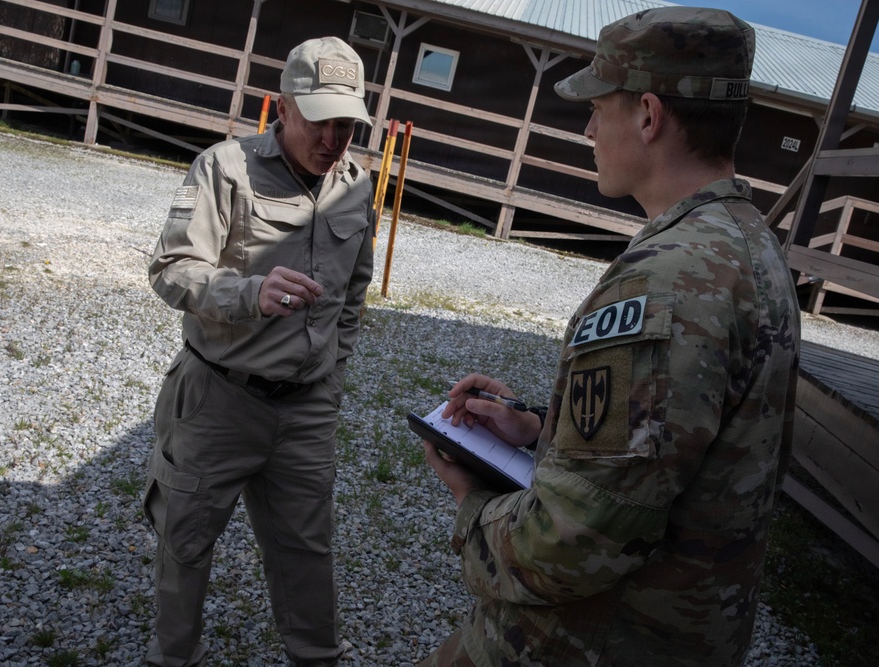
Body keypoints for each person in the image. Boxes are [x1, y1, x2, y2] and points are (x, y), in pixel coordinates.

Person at [419, 7, 800, 667]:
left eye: (601, 106)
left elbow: (571, 541)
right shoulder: (750, 244)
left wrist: (471, 501)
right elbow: (675, 442)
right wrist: (540, 426)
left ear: (649, 116)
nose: (590, 128)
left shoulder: (666, 280)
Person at [142, 37, 375, 667]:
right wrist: (249, 293)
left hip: (306, 411)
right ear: (286, 106)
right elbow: (170, 269)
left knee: (307, 550)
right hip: (220, 397)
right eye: (322, 119)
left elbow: (353, 295)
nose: (335, 137)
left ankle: (316, 658)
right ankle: (173, 658)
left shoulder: (357, 185)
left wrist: (331, 374)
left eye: (348, 123)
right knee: (185, 543)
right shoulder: (226, 167)